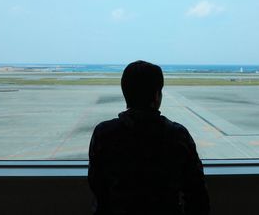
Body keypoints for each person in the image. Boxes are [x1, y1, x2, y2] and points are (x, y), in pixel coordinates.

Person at [88, 60, 210, 215]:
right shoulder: (177, 135)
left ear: (125, 93)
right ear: (156, 96)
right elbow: (197, 196)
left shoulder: (103, 134)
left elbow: (98, 189)